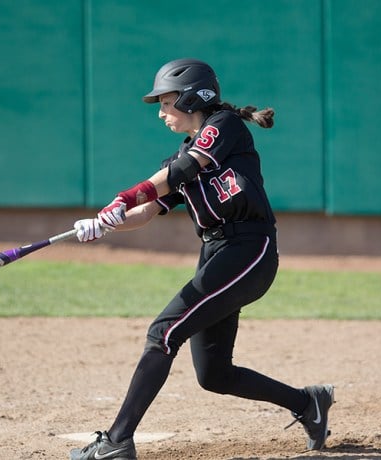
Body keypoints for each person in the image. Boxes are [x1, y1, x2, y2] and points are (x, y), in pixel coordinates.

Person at [69, 58, 334, 460]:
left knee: (163, 333)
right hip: (216, 255)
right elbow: (147, 211)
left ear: (193, 97)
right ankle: (307, 403)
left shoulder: (223, 128)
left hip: (249, 249)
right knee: (214, 374)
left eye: (166, 102)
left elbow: (184, 170)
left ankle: (117, 440)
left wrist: (123, 196)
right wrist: (105, 223)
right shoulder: (181, 155)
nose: (160, 113)